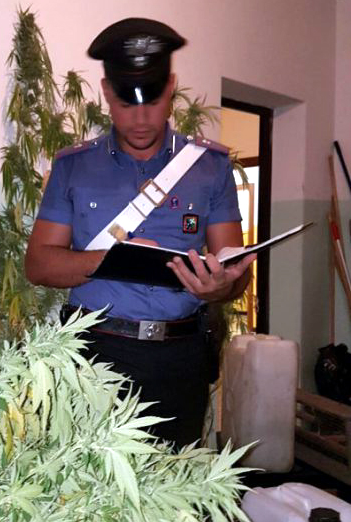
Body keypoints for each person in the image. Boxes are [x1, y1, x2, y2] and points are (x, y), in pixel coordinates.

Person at [25, 17, 256, 449]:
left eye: (152, 100)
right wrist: (115, 258)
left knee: (175, 477)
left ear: (170, 87)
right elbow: (38, 265)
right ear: (107, 91)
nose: (141, 118)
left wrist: (221, 287)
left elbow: (235, 269)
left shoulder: (210, 168)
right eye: (127, 102)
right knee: (89, 479)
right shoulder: (74, 167)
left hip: (181, 359)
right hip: (95, 354)